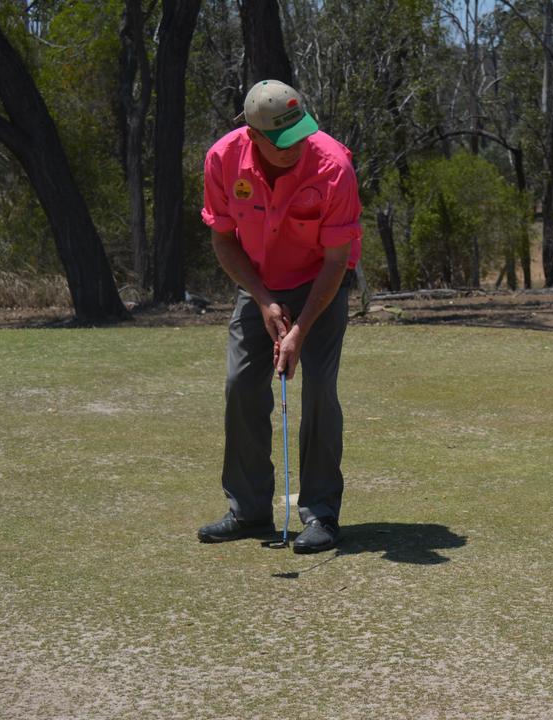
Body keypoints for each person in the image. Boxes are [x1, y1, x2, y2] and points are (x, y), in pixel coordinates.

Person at [196, 79, 361, 553]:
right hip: (259, 281)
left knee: (319, 392)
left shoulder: (333, 165)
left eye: (301, 132)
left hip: (320, 285)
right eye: (283, 140)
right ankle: (248, 511)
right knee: (241, 385)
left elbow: (335, 261)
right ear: (254, 134)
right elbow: (224, 238)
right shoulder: (223, 160)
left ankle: (321, 514)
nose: (296, 146)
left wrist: (299, 332)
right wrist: (264, 300)